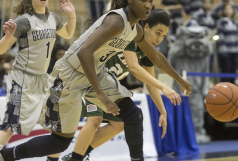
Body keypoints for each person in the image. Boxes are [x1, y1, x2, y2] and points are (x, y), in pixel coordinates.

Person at [0, 0, 191, 161]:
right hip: (69, 74)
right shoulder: (115, 21)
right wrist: (101, 95)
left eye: (151, 0)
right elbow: (83, 53)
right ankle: (4, 156)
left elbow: (156, 57)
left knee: (133, 116)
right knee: (60, 141)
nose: (148, 5)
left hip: (95, 71)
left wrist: (180, 80)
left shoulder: (135, 29)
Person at [62, 9, 187, 161]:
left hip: (108, 86)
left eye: (164, 36)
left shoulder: (148, 51)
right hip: (91, 78)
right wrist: (164, 86)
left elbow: (150, 84)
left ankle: (77, 156)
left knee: (118, 125)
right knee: (95, 120)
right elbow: (134, 68)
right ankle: (76, 157)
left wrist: (163, 110)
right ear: (146, 27)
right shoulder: (131, 35)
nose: (160, 39)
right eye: (158, 33)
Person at [0, 0, 77, 161]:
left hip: (43, 79)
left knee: (56, 125)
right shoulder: (24, 21)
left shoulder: (52, 18)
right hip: (22, 79)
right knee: (10, 126)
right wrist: (8, 36)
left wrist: (72, 15)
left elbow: (67, 33)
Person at [216, 3, 238, 84]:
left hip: (235, 51)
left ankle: (232, 92)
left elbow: (237, 37)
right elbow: (220, 36)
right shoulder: (221, 21)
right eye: (226, 9)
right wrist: (223, 51)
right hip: (225, 51)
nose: (228, 10)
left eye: (230, 8)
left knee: (233, 72)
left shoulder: (235, 22)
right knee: (225, 71)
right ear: (223, 11)